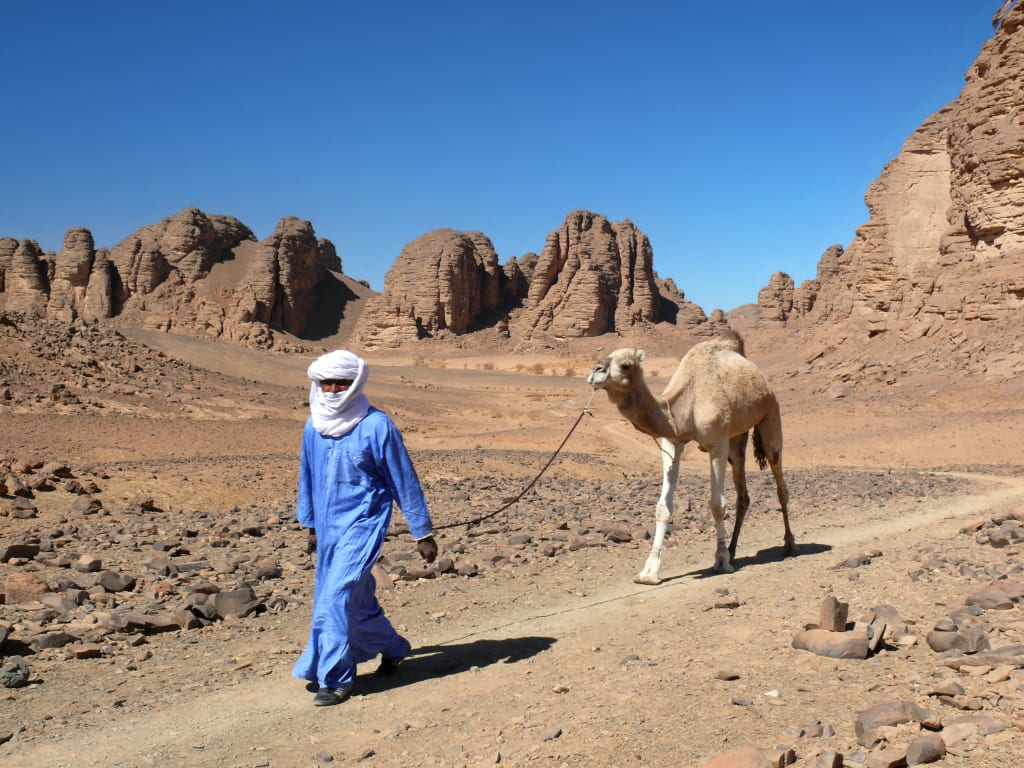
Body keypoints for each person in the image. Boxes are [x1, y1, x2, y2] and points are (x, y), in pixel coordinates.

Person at [292, 349, 438, 706]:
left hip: (364, 523)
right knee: (356, 600)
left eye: (341, 382)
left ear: (355, 383)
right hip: (328, 528)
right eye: (326, 383)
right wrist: (310, 524)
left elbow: (404, 480)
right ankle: (394, 647)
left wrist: (423, 531)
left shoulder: (377, 425)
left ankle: (337, 679)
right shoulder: (314, 425)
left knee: (335, 596)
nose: (334, 389)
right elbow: (307, 476)